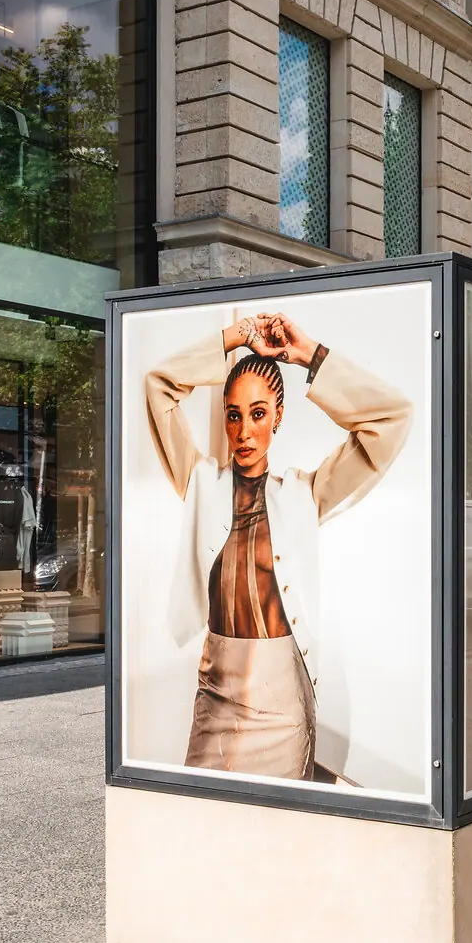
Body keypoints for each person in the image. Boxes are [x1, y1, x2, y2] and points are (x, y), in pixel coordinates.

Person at [147, 311, 412, 780]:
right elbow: (159, 386)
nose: (244, 431)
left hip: (283, 702)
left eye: (258, 413)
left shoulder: (304, 494)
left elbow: (390, 419)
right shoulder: (200, 482)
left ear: (278, 417)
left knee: (280, 840)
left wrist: (311, 355)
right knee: (203, 826)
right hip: (217, 691)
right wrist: (236, 338)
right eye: (233, 415)